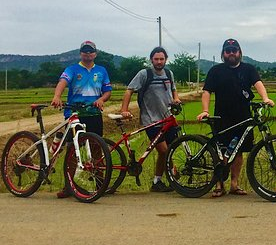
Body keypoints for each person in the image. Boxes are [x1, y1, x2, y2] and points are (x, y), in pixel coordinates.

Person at [197, 38, 274, 197]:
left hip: (243, 116)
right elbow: (206, 92)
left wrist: (265, 98)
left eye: (234, 50)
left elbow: (258, 83)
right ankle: (218, 185)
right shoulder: (216, 71)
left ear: (240, 52)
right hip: (222, 116)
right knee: (221, 151)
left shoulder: (248, 69)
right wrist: (205, 110)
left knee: (238, 151)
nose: (231, 53)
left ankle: (234, 184)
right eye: (228, 50)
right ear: (223, 53)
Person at [51, 40, 112, 198]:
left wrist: (102, 100)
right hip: (75, 115)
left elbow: (107, 91)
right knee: (72, 149)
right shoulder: (72, 69)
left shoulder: (102, 70)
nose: (87, 54)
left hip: (94, 114)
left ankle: (101, 185)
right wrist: (57, 96)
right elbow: (62, 82)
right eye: (85, 51)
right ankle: (68, 186)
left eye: (90, 51)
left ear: (95, 54)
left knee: (97, 149)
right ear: (81, 53)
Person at [119, 46, 182, 193]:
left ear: (166, 59)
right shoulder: (144, 74)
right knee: (165, 151)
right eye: (156, 59)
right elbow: (129, 90)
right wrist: (124, 110)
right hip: (151, 120)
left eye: (162, 59)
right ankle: (173, 175)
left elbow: (173, 89)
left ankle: (157, 181)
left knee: (168, 151)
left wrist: (176, 98)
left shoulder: (169, 73)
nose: (159, 62)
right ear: (151, 60)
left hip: (167, 118)